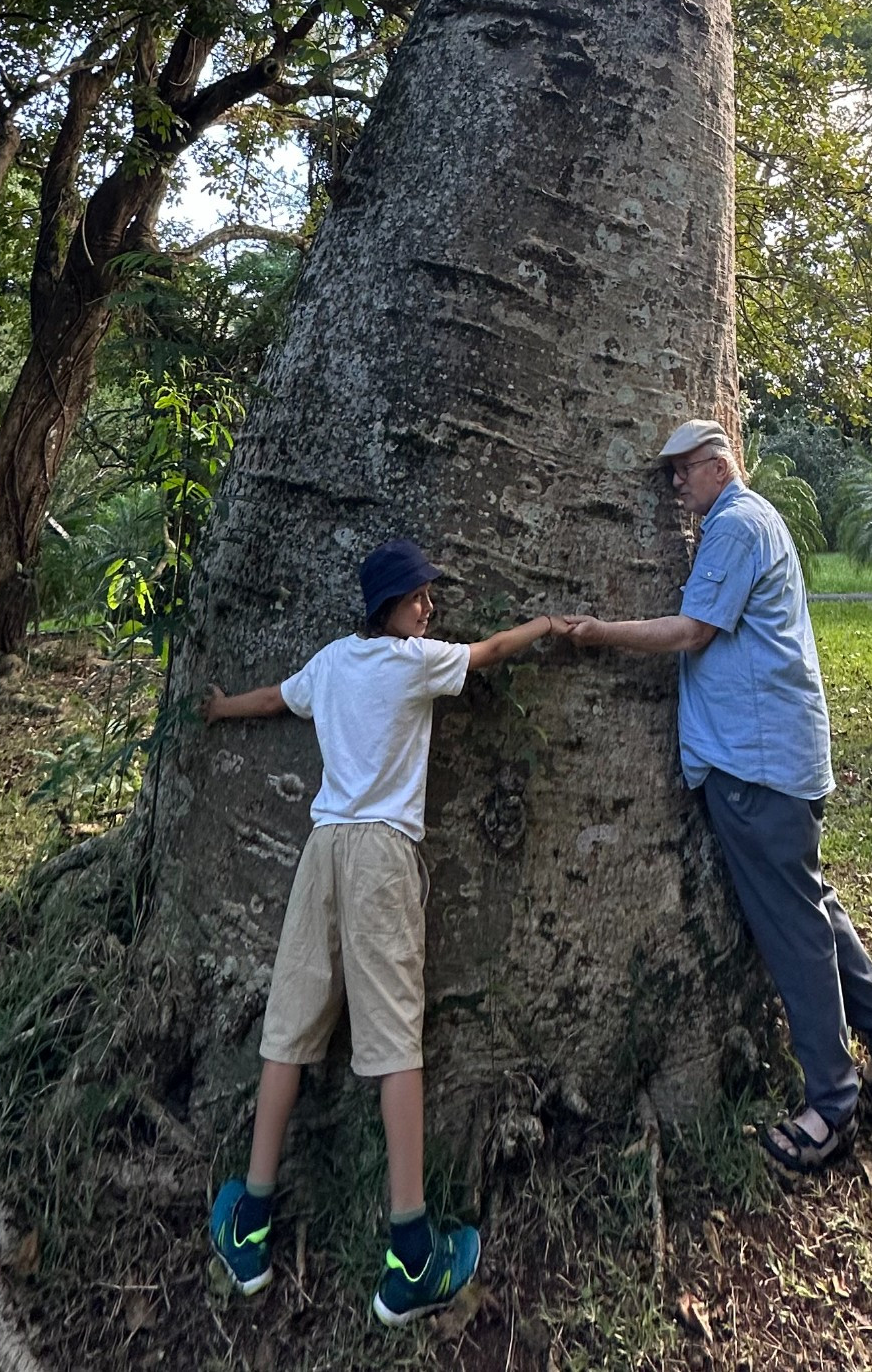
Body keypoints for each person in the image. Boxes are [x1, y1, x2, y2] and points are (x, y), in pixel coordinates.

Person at [201, 538, 563, 1323]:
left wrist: (221, 707)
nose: (428, 608)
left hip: (321, 850)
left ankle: (250, 1221)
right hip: (379, 857)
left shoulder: (333, 662)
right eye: (418, 597)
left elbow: (276, 699)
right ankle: (411, 1254)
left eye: (428, 597)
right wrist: (542, 622)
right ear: (387, 609)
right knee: (394, 1041)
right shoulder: (414, 661)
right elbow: (492, 652)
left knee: (289, 1027)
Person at [566, 418, 872, 1172]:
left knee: (792, 929)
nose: (674, 486)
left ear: (716, 464)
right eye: (669, 475)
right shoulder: (751, 522)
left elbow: (692, 631)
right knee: (814, 906)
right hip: (776, 757)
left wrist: (598, 632)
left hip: (756, 763)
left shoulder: (734, 524)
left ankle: (830, 1108)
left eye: (681, 472)